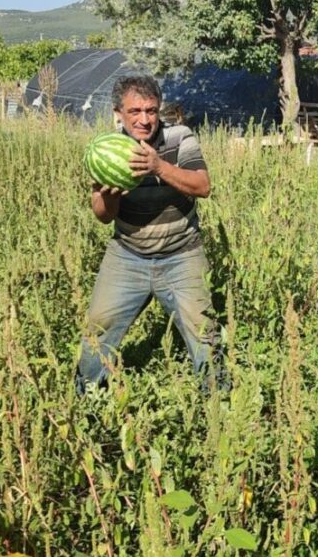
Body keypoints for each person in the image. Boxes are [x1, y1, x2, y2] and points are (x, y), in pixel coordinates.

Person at [76, 74, 226, 393]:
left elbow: (203, 186)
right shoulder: (108, 149)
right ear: (119, 113)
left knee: (205, 336)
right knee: (97, 331)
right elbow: (103, 217)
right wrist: (111, 194)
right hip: (127, 256)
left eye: (151, 110)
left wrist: (159, 167)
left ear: (159, 110)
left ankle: (219, 408)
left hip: (182, 255)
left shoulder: (180, 137)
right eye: (135, 112)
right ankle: (85, 402)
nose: (144, 119)